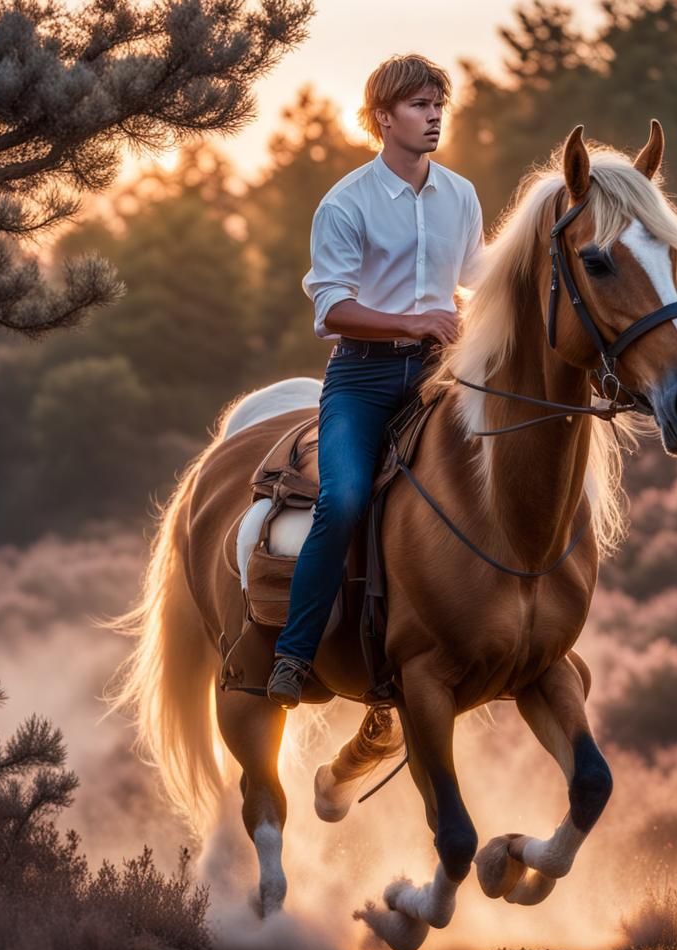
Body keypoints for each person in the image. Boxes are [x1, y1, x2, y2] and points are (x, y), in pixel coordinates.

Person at [267, 53, 486, 709]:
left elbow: (478, 278)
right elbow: (331, 308)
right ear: (383, 119)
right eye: (420, 106)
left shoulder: (462, 195)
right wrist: (416, 321)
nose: (434, 117)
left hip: (439, 376)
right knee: (345, 499)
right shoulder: (345, 204)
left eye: (438, 105)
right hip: (361, 381)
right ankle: (294, 654)